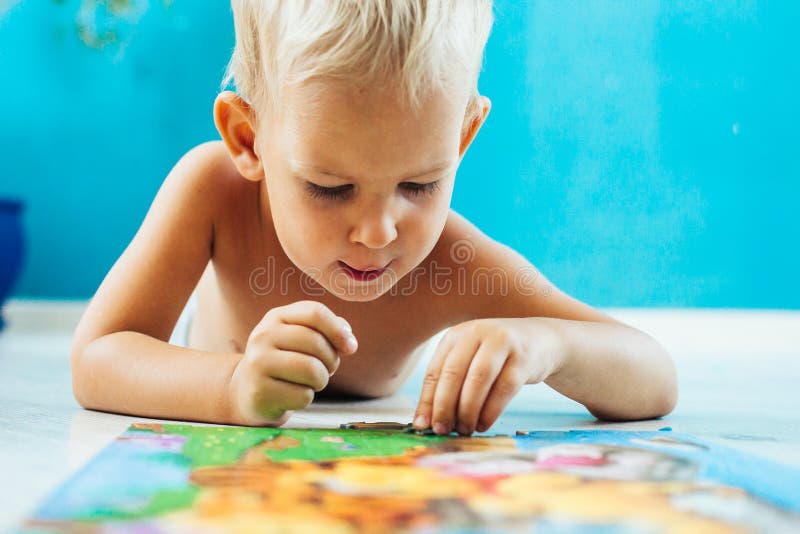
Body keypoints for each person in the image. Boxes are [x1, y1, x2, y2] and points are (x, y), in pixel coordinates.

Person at [71, 0, 677, 436]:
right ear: (249, 140)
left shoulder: (455, 264)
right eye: (330, 188)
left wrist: (550, 345)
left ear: (463, 137)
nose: (379, 232)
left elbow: (654, 376)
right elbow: (99, 356)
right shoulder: (214, 193)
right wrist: (232, 386)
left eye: (419, 184)